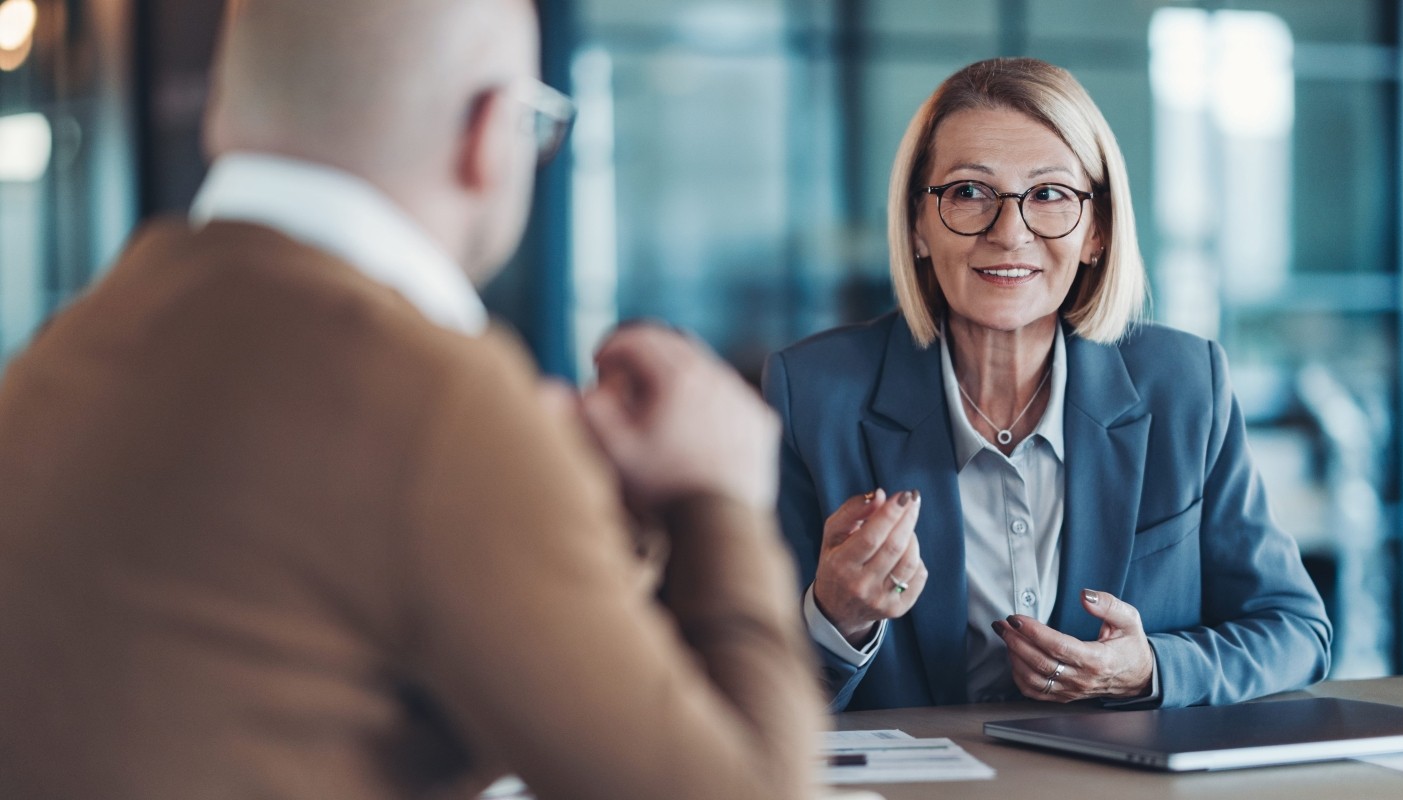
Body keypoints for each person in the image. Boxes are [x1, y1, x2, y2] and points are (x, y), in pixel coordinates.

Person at [0, 1, 820, 798]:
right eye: (539, 123)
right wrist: (718, 493)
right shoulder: (435, 398)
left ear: (225, 107)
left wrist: (567, 499)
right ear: (489, 131)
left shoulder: (69, 347)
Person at [763, 57, 1331, 713]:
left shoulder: (1184, 385)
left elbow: (1295, 631)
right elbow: (743, 694)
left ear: (1096, 232)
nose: (1009, 234)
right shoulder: (812, 393)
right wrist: (837, 620)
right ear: (918, 226)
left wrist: (1150, 669)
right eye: (969, 192)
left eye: (1050, 195)